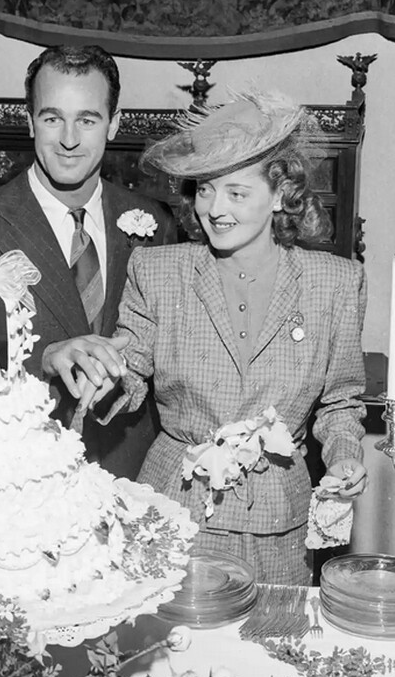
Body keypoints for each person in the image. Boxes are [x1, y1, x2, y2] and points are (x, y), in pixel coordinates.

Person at [70, 89, 368, 585]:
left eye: (237, 193)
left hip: (279, 516)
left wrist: (344, 458)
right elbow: (132, 366)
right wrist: (107, 375)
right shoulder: (158, 270)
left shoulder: (334, 282)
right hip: (175, 503)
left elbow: (341, 402)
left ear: (280, 195)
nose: (215, 209)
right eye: (205, 190)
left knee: (273, 633)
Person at [0, 44, 178, 479]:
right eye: (52, 118)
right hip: (16, 478)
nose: (69, 139)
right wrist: (40, 360)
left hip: (131, 472)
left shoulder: (155, 222)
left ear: (114, 124)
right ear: (29, 120)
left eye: (87, 120)